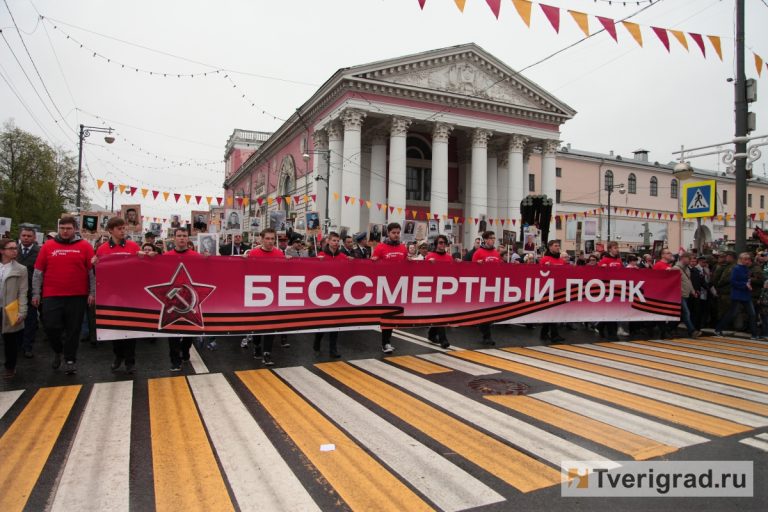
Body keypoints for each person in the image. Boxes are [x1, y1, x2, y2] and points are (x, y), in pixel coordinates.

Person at [32, 215, 95, 375]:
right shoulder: (48, 246)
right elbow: (38, 272)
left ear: (75, 229)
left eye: (68, 228)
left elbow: (91, 273)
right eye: (62, 228)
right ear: (59, 228)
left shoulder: (85, 246)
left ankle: (70, 359)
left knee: (73, 330)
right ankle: (58, 350)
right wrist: (36, 293)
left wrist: (92, 292)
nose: (65, 231)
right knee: (51, 327)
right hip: (52, 295)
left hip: (77, 296)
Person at [95, 217, 142, 373]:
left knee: (130, 327)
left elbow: (141, 267)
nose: (123, 231)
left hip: (130, 294)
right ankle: (118, 356)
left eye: (124, 228)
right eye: (119, 228)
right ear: (111, 230)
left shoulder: (133, 246)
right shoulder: (102, 249)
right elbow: (99, 273)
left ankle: (130, 361)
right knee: (115, 327)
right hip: (111, 294)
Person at [247, 228, 288, 366]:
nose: (270, 241)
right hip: (257, 294)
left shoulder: (279, 253)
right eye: (267, 239)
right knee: (258, 325)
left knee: (271, 324)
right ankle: (257, 344)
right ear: (261, 239)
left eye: (272, 239)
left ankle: (267, 353)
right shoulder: (254, 253)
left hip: (274, 294)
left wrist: (289, 262)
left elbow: (284, 272)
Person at [163, 228, 202, 371]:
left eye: (184, 236)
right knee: (172, 331)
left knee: (189, 331)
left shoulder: (196, 256)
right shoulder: (166, 256)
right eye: (179, 236)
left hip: (190, 298)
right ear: (174, 238)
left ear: (188, 239)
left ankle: (185, 350)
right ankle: (175, 360)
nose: (181, 238)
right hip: (172, 299)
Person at [372, 222, 409, 353]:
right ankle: (385, 342)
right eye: (393, 233)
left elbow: (406, 265)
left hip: (398, 286)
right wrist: (374, 262)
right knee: (385, 314)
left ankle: (386, 342)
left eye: (398, 233)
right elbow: (372, 266)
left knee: (392, 315)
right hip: (384, 285)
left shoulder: (403, 248)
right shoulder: (380, 247)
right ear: (388, 233)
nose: (396, 235)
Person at [314, 232, 347, 358]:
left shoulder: (343, 256)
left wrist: (352, 262)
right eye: (333, 240)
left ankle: (333, 349)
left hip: (337, 294)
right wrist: (317, 262)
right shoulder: (321, 255)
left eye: (337, 241)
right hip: (323, 294)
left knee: (335, 322)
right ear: (328, 241)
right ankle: (317, 341)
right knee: (322, 323)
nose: (336, 243)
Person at [715, 252, 760, 339]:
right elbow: (733, 281)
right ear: (741, 260)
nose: (747, 261)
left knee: (752, 314)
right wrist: (745, 284)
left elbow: (747, 280)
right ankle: (718, 329)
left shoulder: (746, 269)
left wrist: (749, 284)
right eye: (745, 259)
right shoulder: (736, 268)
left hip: (746, 294)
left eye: (748, 259)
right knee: (732, 313)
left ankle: (754, 334)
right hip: (738, 294)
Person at [1, 239, 28, 378]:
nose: (14, 250)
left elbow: (23, 292)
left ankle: (10, 367)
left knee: (10, 340)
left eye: (15, 248)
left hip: (9, 308)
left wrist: (22, 311)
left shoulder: (20, 269)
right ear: (2, 251)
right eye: (10, 248)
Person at [472, 231, 501, 345]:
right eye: (490, 238)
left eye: (494, 238)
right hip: (481, 286)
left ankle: (485, 330)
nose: (492, 240)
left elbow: (500, 268)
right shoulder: (478, 252)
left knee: (490, 311)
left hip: (493, 286)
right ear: (484, 240)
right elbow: (470, 269)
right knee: (485, 311)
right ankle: (487, 336)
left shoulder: (496, 253)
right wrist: (477, 265)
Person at [425, 234, 452, 348]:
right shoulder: (430, 256)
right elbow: (423, 273)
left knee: (441, 313)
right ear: (436, 244)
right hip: (433, 289)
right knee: (440, 313)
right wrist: (428, 264)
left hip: (445, 289)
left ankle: (432, 333)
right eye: (440, 242)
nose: (443, 245)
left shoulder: (449, 257)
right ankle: (443, 340)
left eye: (444, 243)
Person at [16, 227, 39, 358]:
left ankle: (27, 346)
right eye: (24, 235)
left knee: (30, 320)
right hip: (14, 292)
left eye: (29, 236)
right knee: (15, 319)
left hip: (31, 291)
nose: (26, 238)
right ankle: (17, 344)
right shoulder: (14, 250)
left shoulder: (39, 252)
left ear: (34, 238)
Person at [539, 240, 566, 343]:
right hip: (548, 290)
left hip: (559, 289)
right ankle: (554, 335)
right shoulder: (545, 259)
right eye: (555, 246)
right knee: (552, 312)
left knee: (552, 312)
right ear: (550, 247)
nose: (558, 247)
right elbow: (539, 273)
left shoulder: (561, 261)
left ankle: (544, 333)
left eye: (558, 246)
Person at [671, 252, 702, 338]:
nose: (690, 261)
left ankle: (670, 329)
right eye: (689, 259)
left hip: (686, 294)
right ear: (683, 258)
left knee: (681, 314)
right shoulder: (675, 268)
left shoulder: (687, 269)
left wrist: (693, 292)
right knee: (686, 312)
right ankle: (692, 331)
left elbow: (688, 282)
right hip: (679, 294)